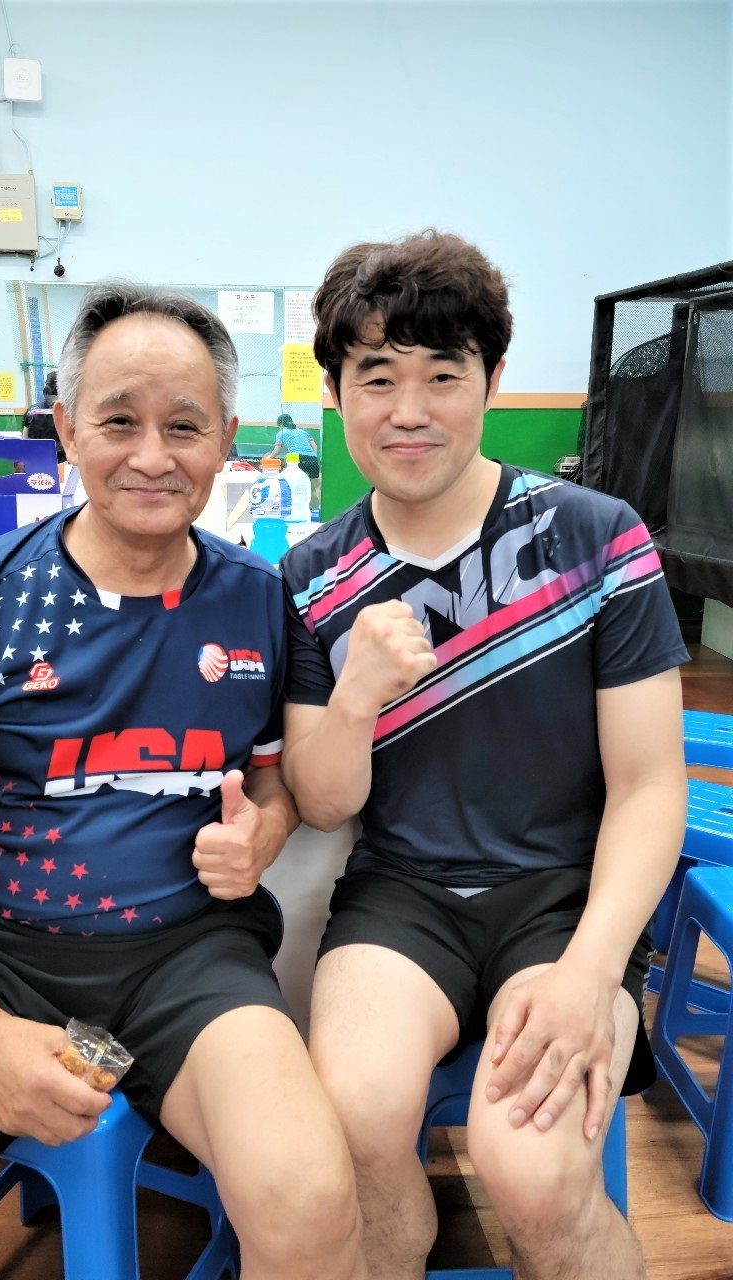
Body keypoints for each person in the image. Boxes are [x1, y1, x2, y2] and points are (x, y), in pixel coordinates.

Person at [0, 282, 365, 1280]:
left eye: (185, 425)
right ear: (65, 428)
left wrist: (263, 831)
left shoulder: (264, 601)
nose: (152, 455)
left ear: (227, 440)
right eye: (118, 421)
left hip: (193, 959)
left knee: (312, 1204)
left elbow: (281, 784)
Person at [279, 230, 689, 1280]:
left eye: (443, 375)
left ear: (493, 380)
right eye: (377, 378)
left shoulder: (598, 535)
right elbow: (322, 802)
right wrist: (359, 692)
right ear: (336, 392)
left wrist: (591, 971)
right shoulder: (312, 573)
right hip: (401, 895)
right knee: (354, 1116)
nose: (409, 411)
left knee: (535, 1170)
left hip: (562, 898)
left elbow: (650, 787)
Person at [22, 368, 66, 462]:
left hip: (37, 461)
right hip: (62, 463)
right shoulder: (67, 411)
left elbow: (24, 440)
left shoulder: (31, 411)